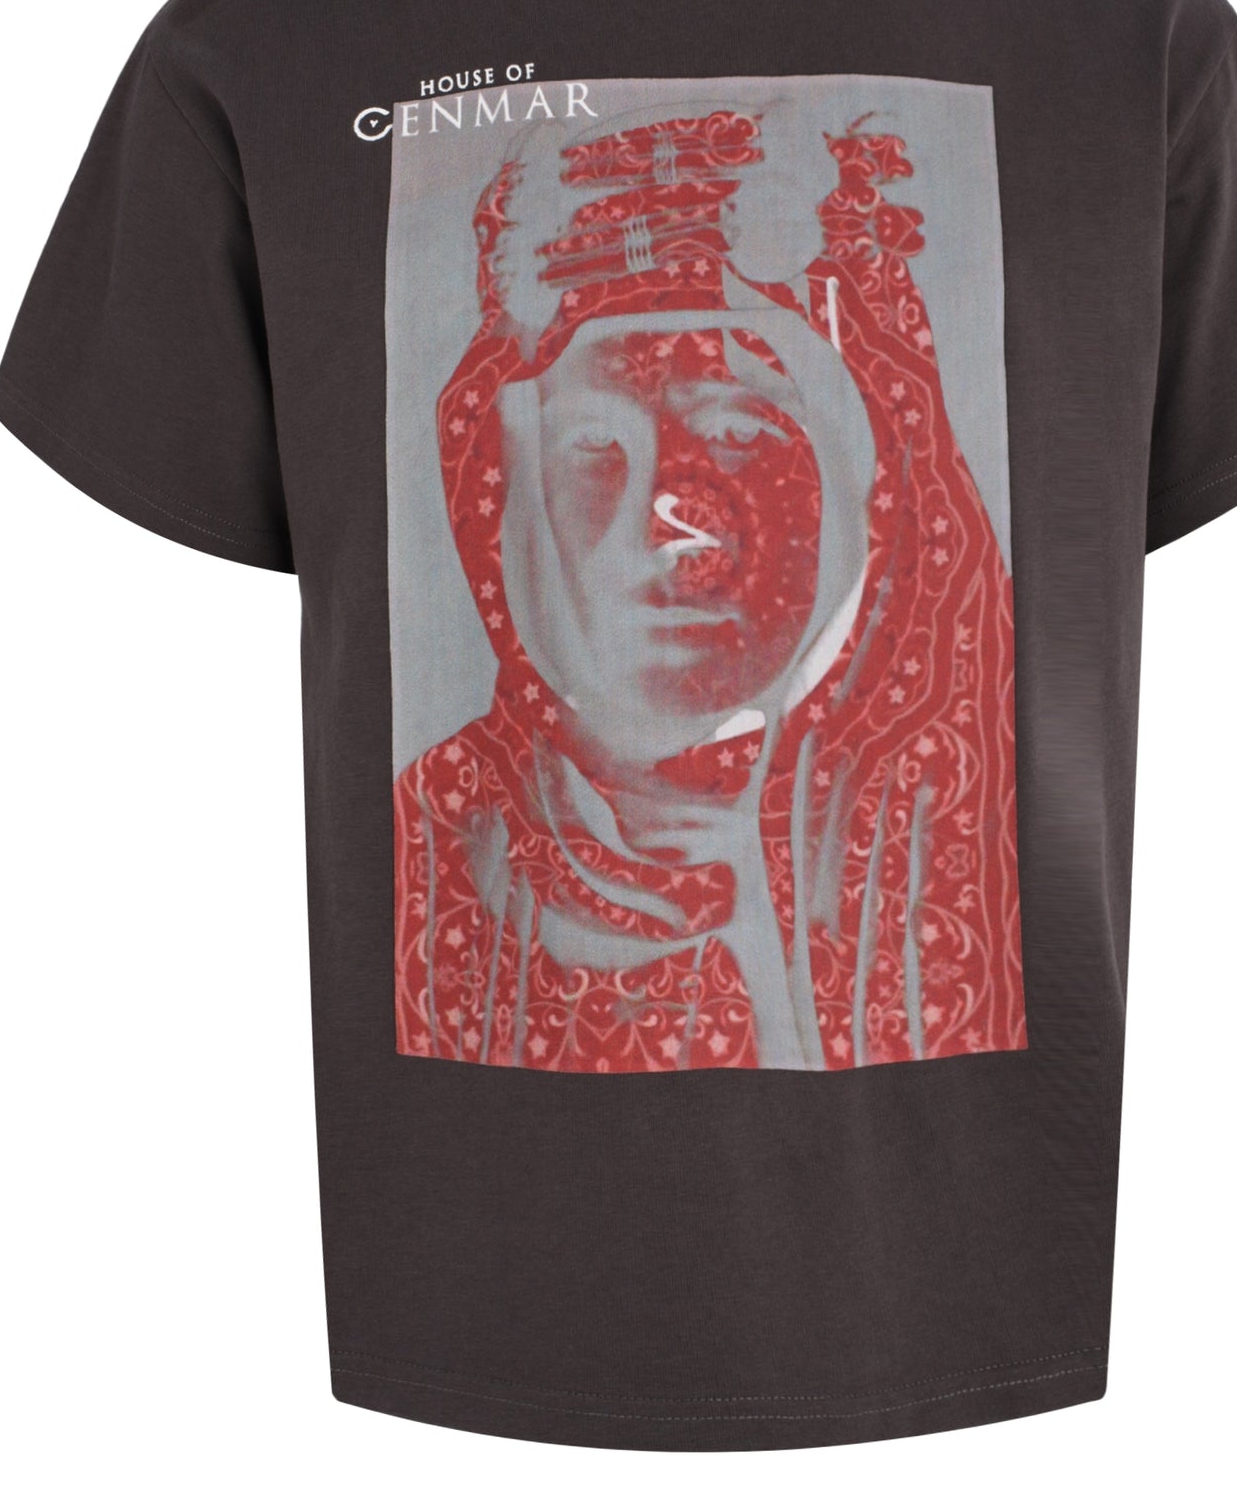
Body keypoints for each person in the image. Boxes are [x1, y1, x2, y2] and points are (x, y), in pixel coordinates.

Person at [394, 95, 1025, 1071]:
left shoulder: (967, 819)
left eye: (736, 430)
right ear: (504, 491)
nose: (670, 518)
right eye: (593, 444)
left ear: (871, 480)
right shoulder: (437, 829)